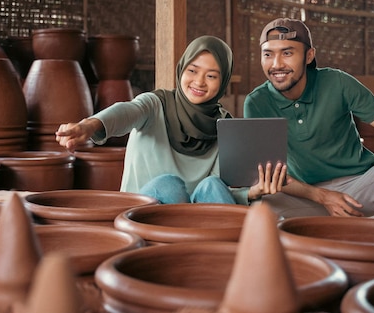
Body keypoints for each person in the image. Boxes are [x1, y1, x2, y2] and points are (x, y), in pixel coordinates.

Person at [56, 35, 287, 205]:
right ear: (181, 69)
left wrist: (252, 193)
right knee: (169, 185)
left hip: (195, 222)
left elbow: (216, 195)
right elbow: (126, 111)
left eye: (211, 76)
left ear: (223, 82)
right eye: (193, 71)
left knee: (213, 185)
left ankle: (223, 257)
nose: (199, 82)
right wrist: (90, 125)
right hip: (140, 214)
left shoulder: (224, 126)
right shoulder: (155, 104)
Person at [243, 18, 374, 221]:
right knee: (257, 200)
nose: (277, 64)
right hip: (304, 196)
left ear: (309, 56)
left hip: (357, 190)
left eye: (287, 53)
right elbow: (270, 174)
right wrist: (323, 197)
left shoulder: (338, 82)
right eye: (268, 54)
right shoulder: (256, 102)